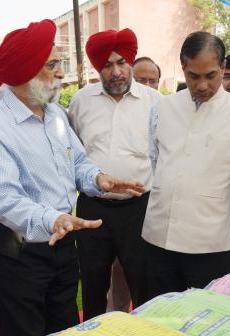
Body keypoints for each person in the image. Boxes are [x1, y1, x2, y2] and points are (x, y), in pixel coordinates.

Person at [0, 19, 146, 336]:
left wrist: (98, 179)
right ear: (27, 70)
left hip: (63, 242)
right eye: (53, 64)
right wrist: (52, 218)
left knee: (65, 325)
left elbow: (77, 161)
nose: (60, 72)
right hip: (20, 248)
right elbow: (2, 199)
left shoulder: (54, 115)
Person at [143, 31, 230, 301]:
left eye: (210, 75)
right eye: (193, 76)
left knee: (205, 318)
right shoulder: (162, 107)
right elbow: (157, 162)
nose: (201, 85)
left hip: (208, 245)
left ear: (223, 68)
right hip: (158, 238)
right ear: (183, 68)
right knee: (158, 317)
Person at [69, 28, 162, 320]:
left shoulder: (154, 101)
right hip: (93, 207)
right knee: (93, 285)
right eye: (107, 65)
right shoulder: (81, 101)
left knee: (143, 283)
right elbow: (73, 152)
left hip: (139, 208)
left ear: (130, 63)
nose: (116, 71)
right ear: (97, 68)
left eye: (121, 62)